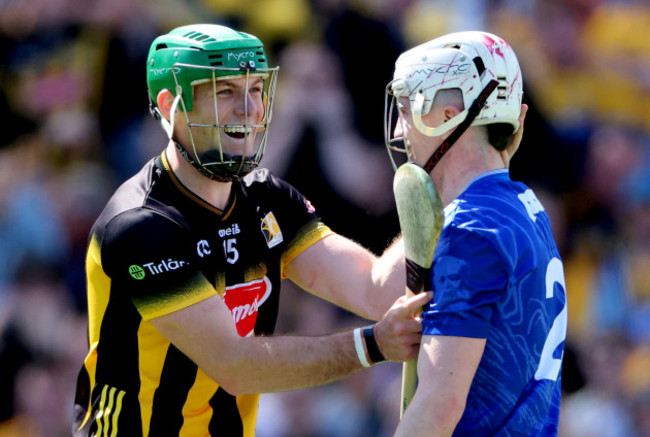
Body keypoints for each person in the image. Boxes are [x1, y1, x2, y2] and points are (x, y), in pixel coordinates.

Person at [72, 24, 430, 436]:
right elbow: (235, 365)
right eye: (225, 92)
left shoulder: (269, 200)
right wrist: (372, 345)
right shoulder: (140, 224)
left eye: (256, 89)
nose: (250, 109)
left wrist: (449, 181)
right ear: (171, 105)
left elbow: (375, 289)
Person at [384, 31, 567, 436]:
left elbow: (438, 405)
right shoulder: (527, 207)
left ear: (449, 115)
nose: (399, 131)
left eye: (406, 107)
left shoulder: (470, 231)